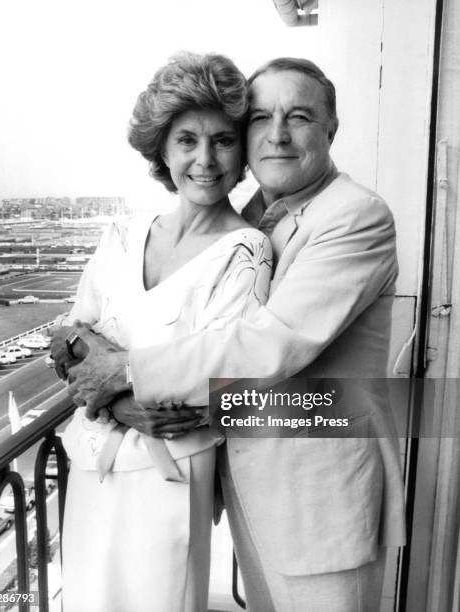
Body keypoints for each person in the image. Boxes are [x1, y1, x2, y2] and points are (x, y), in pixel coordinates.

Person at [66, 58, 407, 611]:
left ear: (331, 129)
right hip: (248, 486)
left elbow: (270, 341)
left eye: (298, 116)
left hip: (318, 493)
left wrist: (125, 373)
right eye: (262, 118)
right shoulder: (254, 213)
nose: (277, 134)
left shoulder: (354, 215)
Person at [50, 52, 272, 612]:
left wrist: (104, 373)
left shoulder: (245, 252)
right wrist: (119, 397)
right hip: (91, 466)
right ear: (162, 150)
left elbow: (209, 386)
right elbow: (69, 340)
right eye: (187, 141)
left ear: (242, 149)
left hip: (170, 478)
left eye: (223, 140)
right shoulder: (122, 235)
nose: (205, 159)